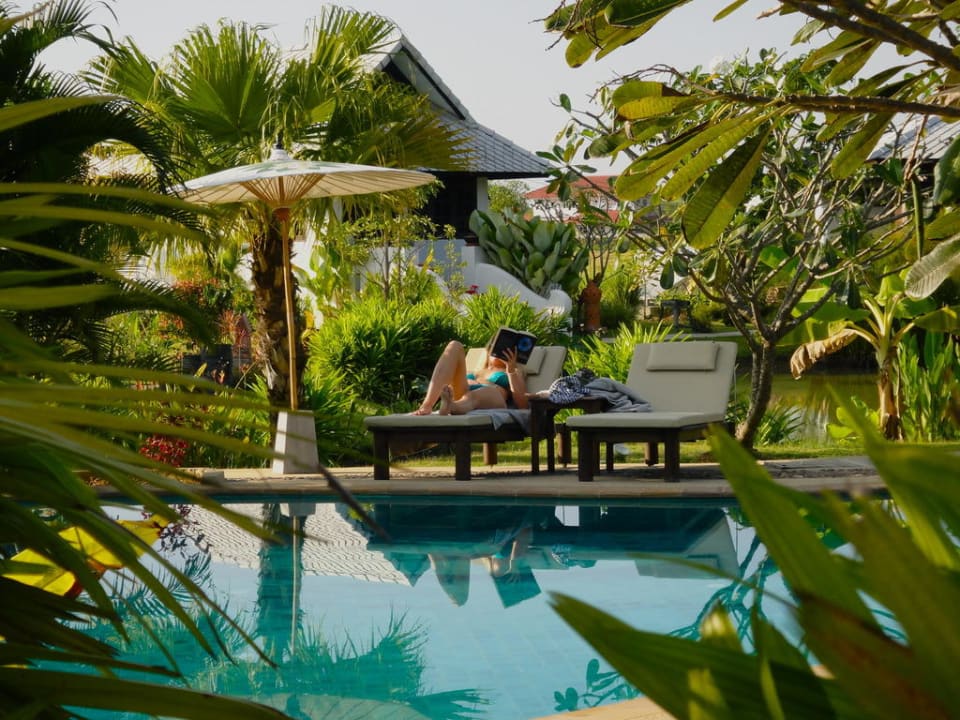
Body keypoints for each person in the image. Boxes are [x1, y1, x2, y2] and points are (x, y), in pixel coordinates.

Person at [411, 339, 529, 415]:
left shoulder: (515, 371)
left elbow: (522, 405)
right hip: (462, 392)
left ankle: (451, 406)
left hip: (491, 396)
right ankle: (427, 405)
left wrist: (510, 369)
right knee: (454, 345)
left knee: (475, 395)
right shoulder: (477, 369)